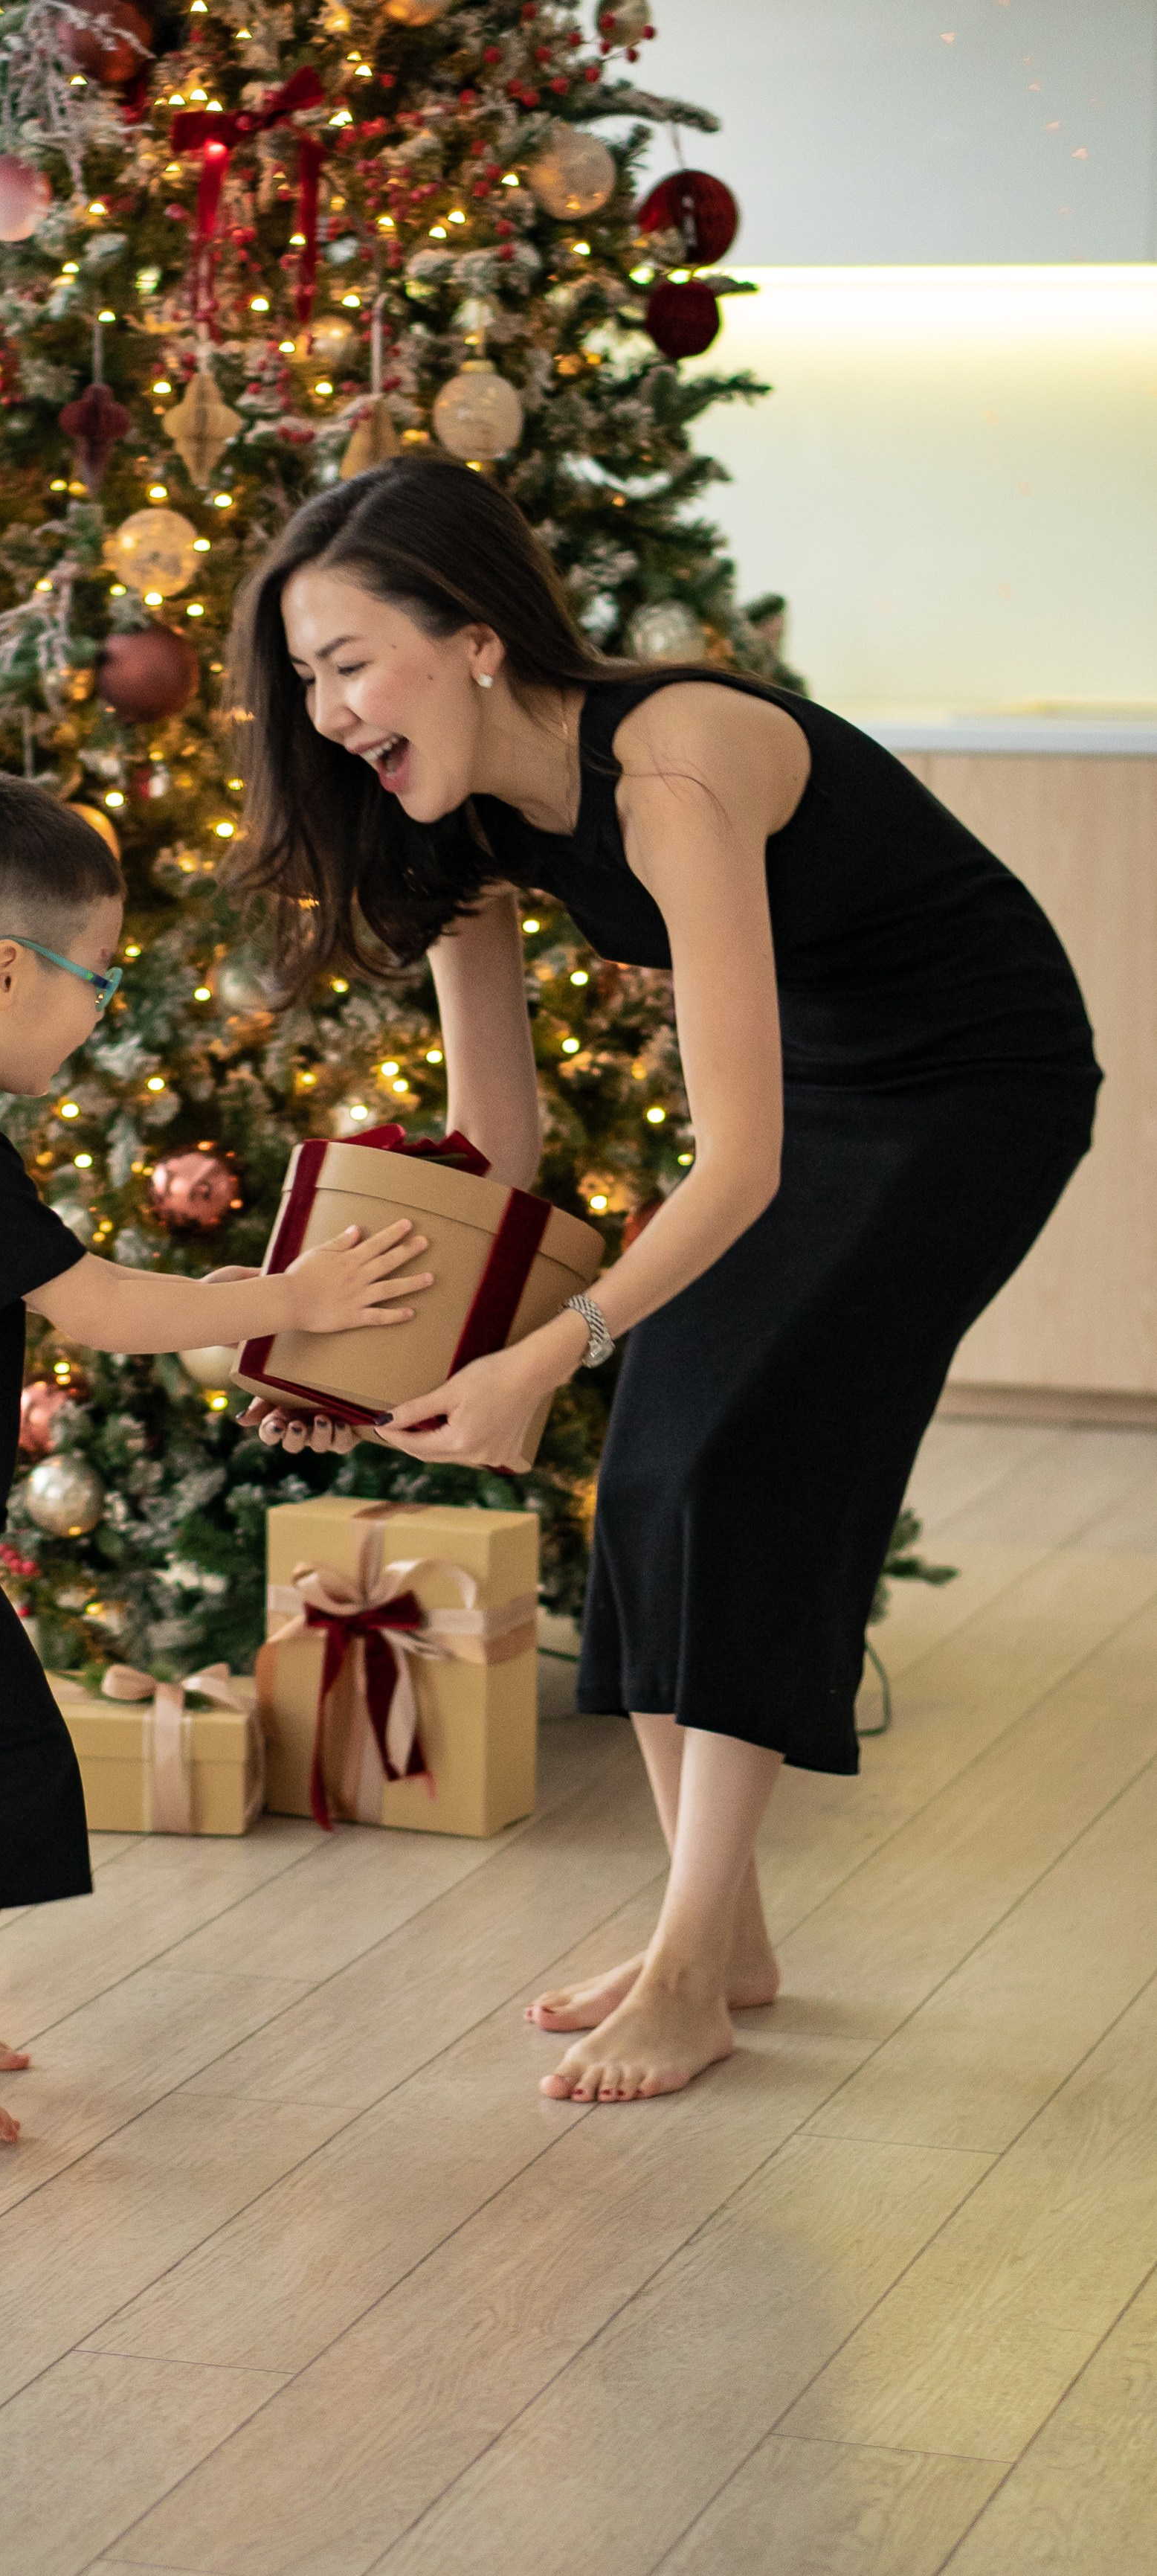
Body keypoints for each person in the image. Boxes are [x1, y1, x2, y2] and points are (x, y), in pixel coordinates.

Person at [228, 455, 1100, 2107]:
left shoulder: (674, 763)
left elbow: (743, 1163)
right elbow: (497, 1135)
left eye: (350, 663)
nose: (329, 712)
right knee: (654, 1469)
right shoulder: (455, 822)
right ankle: (726, 1936)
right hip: (808, 1090)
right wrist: (358, 1329)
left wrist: (554, 1345)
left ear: (477, 638)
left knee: (745, 1461)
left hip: (970, 1084)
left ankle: (694, 1970)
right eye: (306, 681)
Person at [0, 772, 431, 2142]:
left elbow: (70, 1283)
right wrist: (290, 1302)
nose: (105, 1007)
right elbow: (101, 1309)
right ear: (4, 971)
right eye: (96, 979)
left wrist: (239, 1296)